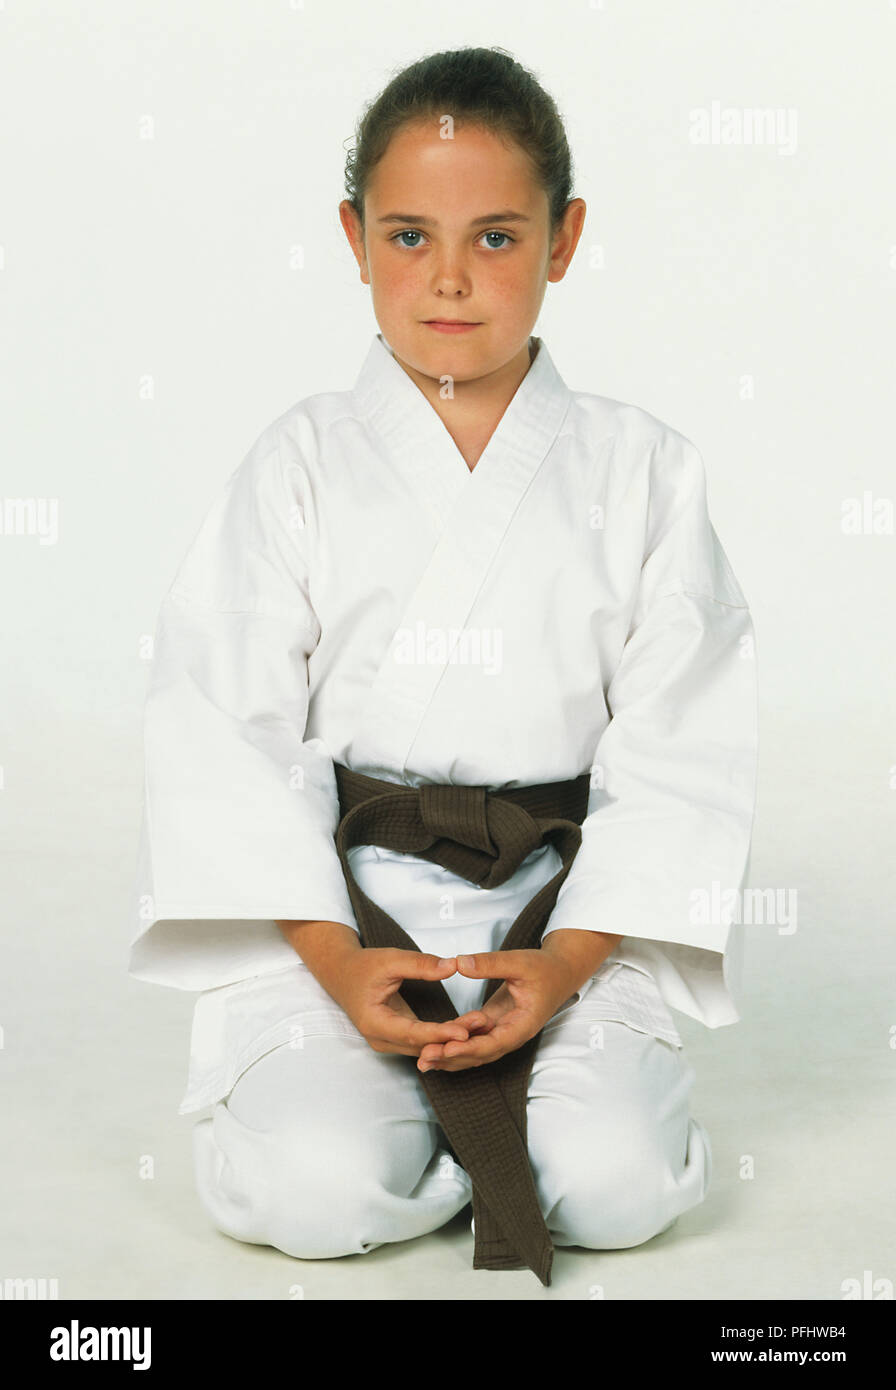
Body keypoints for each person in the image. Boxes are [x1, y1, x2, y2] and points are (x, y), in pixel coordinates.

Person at [129, 46, 757, 1284]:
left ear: (563, 238)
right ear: (353, 237)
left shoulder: (643, 472)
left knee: (618, 1186)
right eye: (409, 236)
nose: (452, 280)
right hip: (345, 905)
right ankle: (390, 1098)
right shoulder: (298, 460)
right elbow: (220, 728)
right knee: (318, 1189)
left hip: (557, 906)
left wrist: (566, 960)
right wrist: (334, 956)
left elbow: (680, 745)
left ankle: (521, 1087)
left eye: (497, 236)